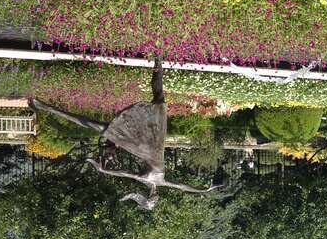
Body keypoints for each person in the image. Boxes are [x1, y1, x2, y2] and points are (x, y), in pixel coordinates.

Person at [29, 59, 222, 210]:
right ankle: (158, 61)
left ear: (147, 198)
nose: (155, 199)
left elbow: (121, 172)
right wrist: (203, 190)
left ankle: (44, 106)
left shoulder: (144, 179)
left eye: (151, 201)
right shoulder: (162, 182)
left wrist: (100, 167)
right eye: (155, 201)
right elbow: (183, 186)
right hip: (156, 140)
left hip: (142, 146)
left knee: (95, 125)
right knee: (159, 99)